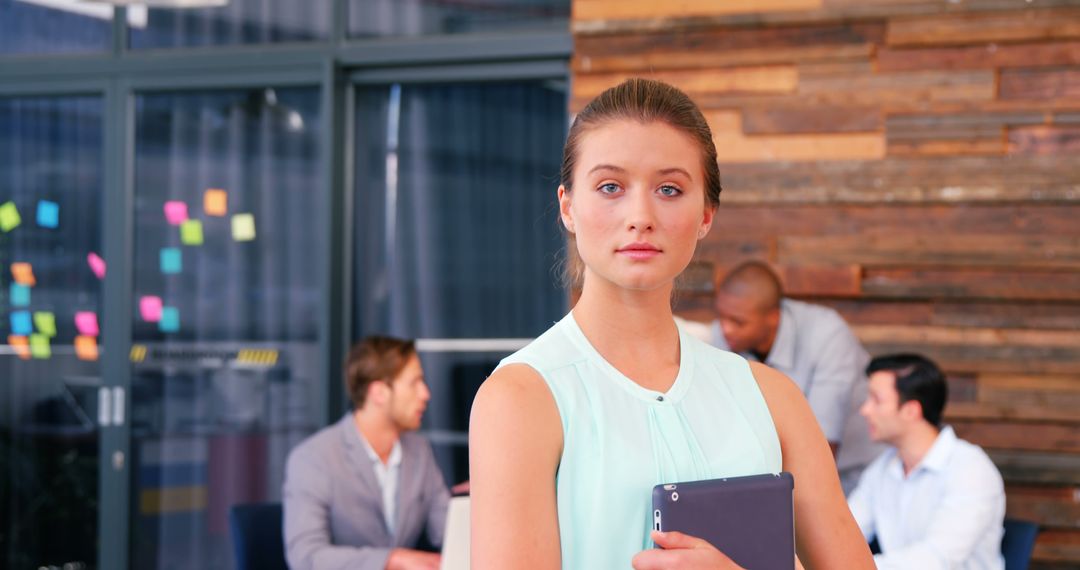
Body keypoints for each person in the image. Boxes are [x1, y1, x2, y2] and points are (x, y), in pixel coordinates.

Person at [468, 78, 873, 569]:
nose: (640, 216)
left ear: (706, 215)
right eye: (610, 186)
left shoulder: (774, 398)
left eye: (669, 189)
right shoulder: (520, 397)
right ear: (568, 206)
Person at [679, 261, 885, 494]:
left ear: (773, 318)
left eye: (738, 322)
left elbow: (822, 449)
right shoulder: (725, 335)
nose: (725, 329)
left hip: (859, 477)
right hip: (781, 480)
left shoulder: (827, 336)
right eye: (721, 317)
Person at [283, 336, 450, 570]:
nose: (425, 394)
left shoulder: (419, 451)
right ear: (379, 393)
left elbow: (447, 531)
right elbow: (306, 557)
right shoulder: (314, 458)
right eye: (415, 383)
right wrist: (392, 560)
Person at [848, 353, 1006, 569]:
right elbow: (845, 533)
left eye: (877, 400)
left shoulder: (970, 469)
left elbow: (936, 560)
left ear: (911, 411)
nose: (865, 410)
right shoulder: (881, 470)